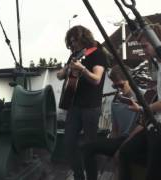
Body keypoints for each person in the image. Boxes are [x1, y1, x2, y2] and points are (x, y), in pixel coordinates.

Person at [116, 23, 161, 180]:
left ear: (157, 42)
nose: (143, 49)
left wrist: (143, 109)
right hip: (159, 125)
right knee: (126, 152)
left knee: (151, 174)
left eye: (145, 45)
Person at [57, 25, 108, 180]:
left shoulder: (97, 54)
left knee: (89, 147)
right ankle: (79, 176)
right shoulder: (74, 55)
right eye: (70, 42)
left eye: (74, 41)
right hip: (74, 106)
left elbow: (97, 79)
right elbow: (59, 75)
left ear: (84, 38)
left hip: (91, 107)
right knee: (68, 143)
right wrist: (66, 70)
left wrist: (83, 69)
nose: (72, 44)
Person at [81, 65, 140, 180]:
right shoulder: (116, 102)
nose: (119, 89)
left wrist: (120, 149)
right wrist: (110, 148)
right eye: (115, 86)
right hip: (121, 139)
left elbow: (142, 127)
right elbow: (115, 130)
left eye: (121, 85)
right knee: (87, 147)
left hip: (136, 139)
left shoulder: (142, 98)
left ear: (130, 80)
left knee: (122, 155)